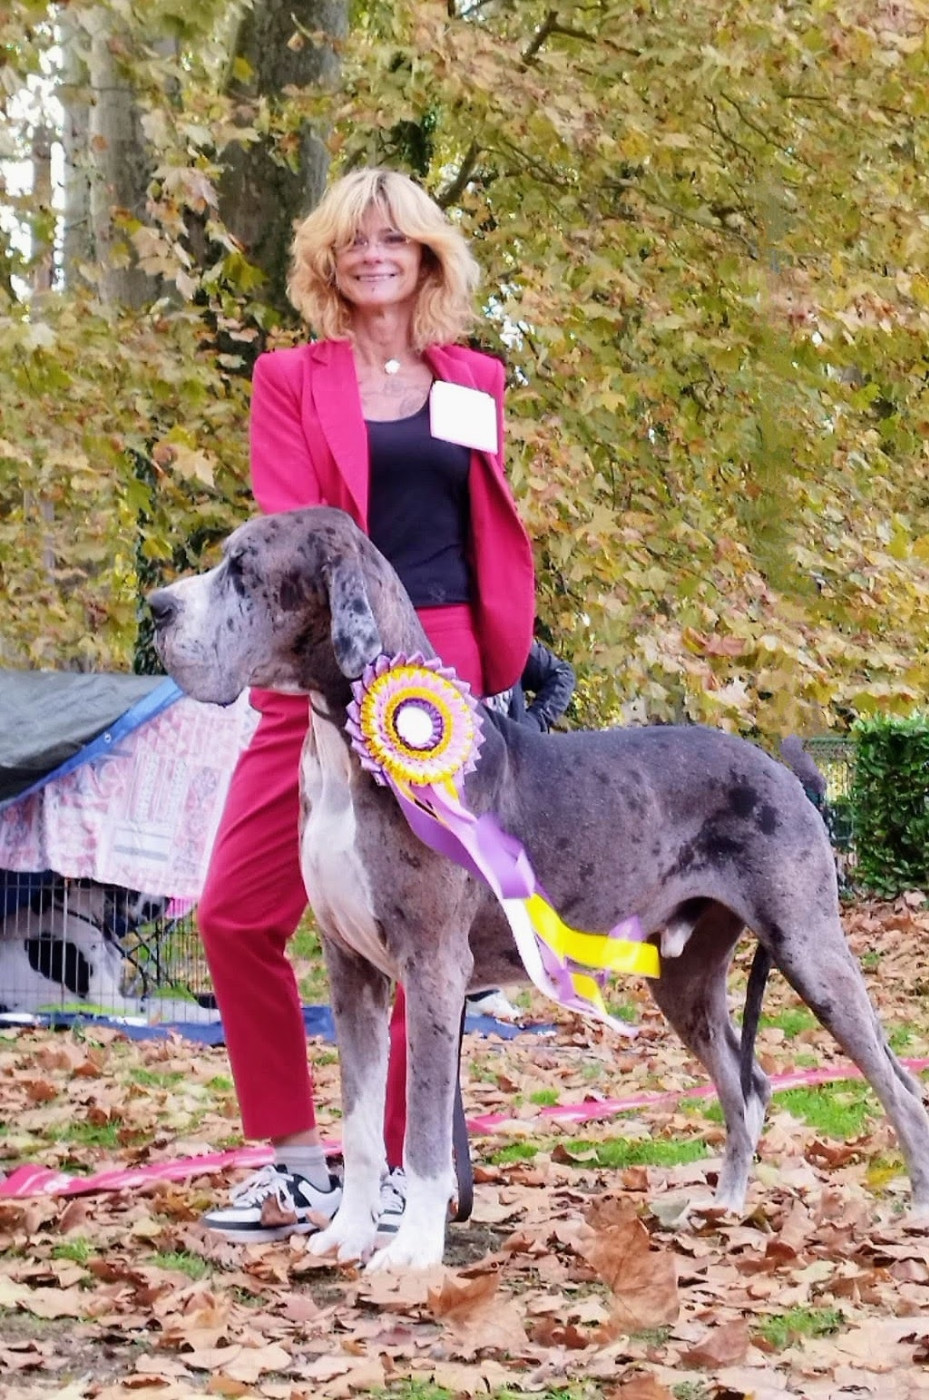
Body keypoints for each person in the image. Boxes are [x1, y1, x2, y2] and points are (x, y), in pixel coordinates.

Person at [194, 168, 536, 1244]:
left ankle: (403, 1179)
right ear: (327, 262)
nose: (373, 253)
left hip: (451, 681)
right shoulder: (292, 377)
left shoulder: (472, 376)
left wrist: (498, 663)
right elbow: (295, 525)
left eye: (395, 237)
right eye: (353, 241)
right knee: (235, 909)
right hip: (331, 667)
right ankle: (297, 1165)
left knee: (419, 929)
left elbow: (481, 524)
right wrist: (333, 654)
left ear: (427, 256)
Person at [467, 640, 575, 1022]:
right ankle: (476, 985)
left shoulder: (512, 645)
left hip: (511, 775)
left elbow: (561, 675)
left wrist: (530, 724)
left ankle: (494, 979)